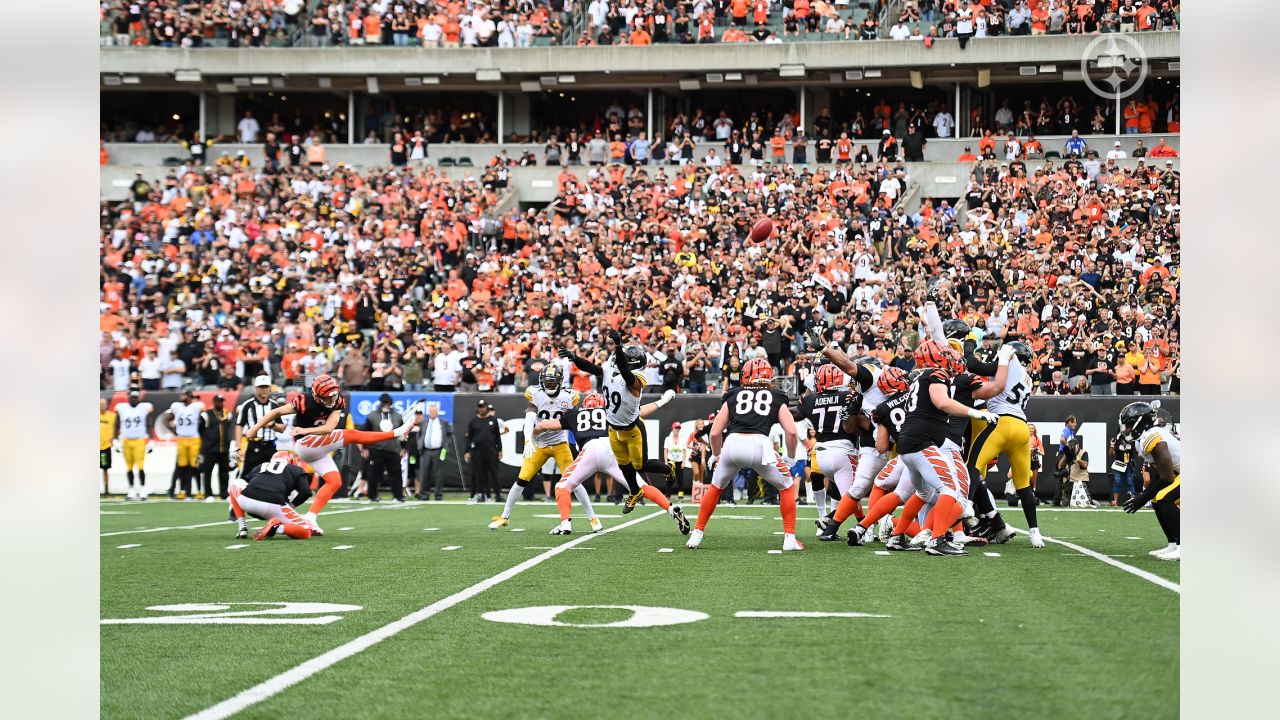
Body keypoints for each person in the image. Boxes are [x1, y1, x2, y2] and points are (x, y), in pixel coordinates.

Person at [244, 375, 417, 535]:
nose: (331, 400)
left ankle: (310, 518)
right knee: (350, 434)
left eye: (333, 396)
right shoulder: (304, 400)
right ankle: (396, 433)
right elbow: (275, 412)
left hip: (317, 444)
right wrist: (254, 428)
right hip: (306, 444)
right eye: (326, 397)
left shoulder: (337, 400)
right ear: (317, 395)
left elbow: (329, 428)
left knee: (335, 481)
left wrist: (305, 429)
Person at [687, 358, 802, 551]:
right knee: (787, 487)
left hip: (732, 445)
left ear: (746, 375)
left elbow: (715, 432)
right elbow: (791, 431)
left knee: (715, 488)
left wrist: (716, 454)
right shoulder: (776, 395)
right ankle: (789, 538)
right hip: (760, 446)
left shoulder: (734, 394)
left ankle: (697, 534)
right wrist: (789, 457)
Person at [490, 364, 582, 528]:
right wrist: (527, 440)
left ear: (560, 382)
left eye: (553, 382)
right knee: (521, 479)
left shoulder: (569, 396)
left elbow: (574, 421)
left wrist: (579, 441)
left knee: (574, 481)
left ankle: (592, 517)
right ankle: (505, 516)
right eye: (547, 382)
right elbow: (530, 419)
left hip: (560, 443)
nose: (550, 385)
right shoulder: (536, 393)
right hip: (540, 443)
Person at [800, 364, 862, 532]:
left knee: (851, 494)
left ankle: (829, 523)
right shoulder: (849, 396)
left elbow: (797, 414)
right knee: (854, 495)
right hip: (843, 450)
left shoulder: (810, 399)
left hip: (821, 452)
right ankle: (864, 527)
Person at [1120, 402, 1180, 561]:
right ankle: (1173, 544)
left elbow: (1167, 477)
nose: (1126, 429)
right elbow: (1157, 475)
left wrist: (1142, 498)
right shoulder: (1141, 441)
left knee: (1164, 498)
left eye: (1129, 425)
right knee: (1156, 499)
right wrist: (1144, 495)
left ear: (1140, 422)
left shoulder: (1151, 436)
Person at [229, 451, 314, 541]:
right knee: (305, 531)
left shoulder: (262, 466)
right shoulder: (296, 469)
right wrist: (291, 506)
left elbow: (244, 482)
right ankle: (276, 528)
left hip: (247, 501)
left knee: (236, 483)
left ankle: (242, 527)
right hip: (273, 505)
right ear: (292, 462)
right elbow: (306, 492)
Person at [235, 375, 285, 478]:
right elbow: (239, 426)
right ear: (256, 388)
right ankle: (241, 493)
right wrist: (238, 448)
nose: (264, 389)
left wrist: (272, 425)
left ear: (270, 388)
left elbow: (282, 428)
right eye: (261, 387)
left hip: (270, 446)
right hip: (254, 444)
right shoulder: (248, 405)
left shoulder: (274, 406)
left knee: (272, 476)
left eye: (266, 386)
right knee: (247, 475)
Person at [161, 386, 205, 499]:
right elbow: (167, 418)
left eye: (184, 395)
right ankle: (183, 491)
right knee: (182, 466)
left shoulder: (196, 406)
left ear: (190, 396)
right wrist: (174, 431)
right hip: (181, 439)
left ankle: (199, 490)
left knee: (195, 466)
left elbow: (204, 420)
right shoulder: (176, 406)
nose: (181, 397)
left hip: (194, 439)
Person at [362, 393, 407, 502]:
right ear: (380, 403)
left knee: (396, 473)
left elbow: (403, 433)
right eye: (384, 402)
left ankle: (398, 496)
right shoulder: (372, 416)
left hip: (393, 449)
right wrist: (365, 447)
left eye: (388, 403)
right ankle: (372, 495)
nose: (386, 405)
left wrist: (403, 447)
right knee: (374, 474)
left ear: (391, 403)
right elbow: (366, 432)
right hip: (376, 449)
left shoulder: (397, 416)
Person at [465, 400, 507, 503]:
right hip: (477, 452)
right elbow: (469, 438)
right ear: (477, 408)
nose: (481, 408)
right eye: (480, 406)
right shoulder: (473, 422)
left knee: (494, 473)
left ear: (486, 408)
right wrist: (467, 451)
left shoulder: (493, 420)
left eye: (483, 406)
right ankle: (481, 494)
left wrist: (500, 450)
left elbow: (497, 437)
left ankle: (498, 494)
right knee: (479, 473)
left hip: (491, 451)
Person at [116, 391, 154, 500]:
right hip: (126, 440)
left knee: (140, 466)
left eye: (135, 397)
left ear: (139, 398)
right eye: (132, 397)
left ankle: (142, 489)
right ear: (128, 398)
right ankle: (131, 490)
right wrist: (115, 440)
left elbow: (148, 423)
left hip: (139, 441)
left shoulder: (144, 407)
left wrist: (151, 440)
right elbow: (117, 424)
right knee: (129, 467)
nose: (134, 399)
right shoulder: (122, 408)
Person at [198, 395, 234, 501]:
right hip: (210, 449)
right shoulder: (206, 415)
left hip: (224, 449)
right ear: (214, 402)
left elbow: (230, 429)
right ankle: (208, 494)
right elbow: (200, 430)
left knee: (224, 473)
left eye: (222, 401)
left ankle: (224, 494)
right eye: (218, 401)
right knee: (207, 472)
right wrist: (207, 442)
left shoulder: (228, 414)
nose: (220, 403)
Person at [416, 404, 453, 500]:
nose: (433, 413)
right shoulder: (424, 422)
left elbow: (450, 435)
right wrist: (420, 444)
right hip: (425, 451)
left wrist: (446, 445)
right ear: (429, 412)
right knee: (424, 473)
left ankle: (438, 494)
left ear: (437, 412)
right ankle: (424, 494)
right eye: (431, 411)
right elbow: (419, 435)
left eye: (434, 411)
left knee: (438, 474)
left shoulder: (443, 422)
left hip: (438, 450)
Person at [1109, 427, 1137, 506]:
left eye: (1128, 429)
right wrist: (1112, 445)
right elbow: (1111, 454)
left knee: (1130, 481)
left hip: (1129, 463)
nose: (1127, 430)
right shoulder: (1116, 440)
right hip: (1119, 463)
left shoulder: (1133, 439)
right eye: (1125, 429)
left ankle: (1132, 501)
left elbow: (1136, 451)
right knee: (1117, 481)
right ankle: (1115, 501)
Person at [100, 398, 118, 497]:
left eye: (103, 404)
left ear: (107, 405)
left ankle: (106, 490)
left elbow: (117, 428)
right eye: (100, 404)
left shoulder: (112, 416)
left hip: (105, 447)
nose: (101, 406)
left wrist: (114, 438)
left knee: (105, 469)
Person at [665, 422, 687, 500]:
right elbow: (665, 451)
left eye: (678, 428)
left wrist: (684, 461)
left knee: (680, 478)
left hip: (679, 461)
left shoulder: (682, 439)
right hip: (671, 461)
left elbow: (684, 451)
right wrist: (665, 462)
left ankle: (680, 495)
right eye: (676, 428)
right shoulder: (668, 439)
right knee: (669, 478)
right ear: (672, 429)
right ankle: (668, 495)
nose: (677, 430)